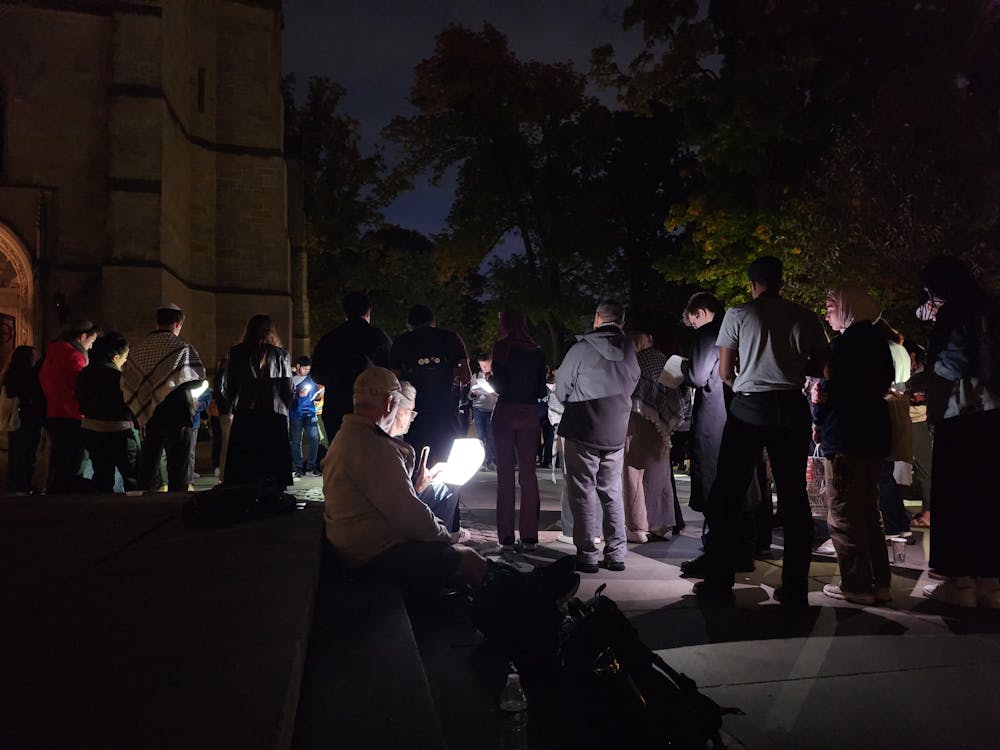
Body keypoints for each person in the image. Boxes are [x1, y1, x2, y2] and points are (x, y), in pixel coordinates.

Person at [694, 256, 828, 605]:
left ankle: (719, 582)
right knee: (793, 496)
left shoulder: (738, 315)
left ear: (753, 283)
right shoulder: (804, 316)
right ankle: (796, 587)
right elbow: (825, 364)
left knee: (729, 494)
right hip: (791, 408)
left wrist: (745, 379)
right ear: (781, 282)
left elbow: (725, 371)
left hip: (749, 407)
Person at [323, 367, 486, 591]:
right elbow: (409, 516)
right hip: (371, 554)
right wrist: (448, 538)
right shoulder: (373, 447)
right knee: (469, 559)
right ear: (390, 402)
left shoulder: (350, 434)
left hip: (357, 543)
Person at [918, 256, 1000, 608]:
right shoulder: (992, 309)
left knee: (957, 498)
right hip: (994, 414)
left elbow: (949, 367)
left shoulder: (954, 314)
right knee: (989, 499)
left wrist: (930, 361)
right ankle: (991, 584)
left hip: (961, 414)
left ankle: (960, 583)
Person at [812, 288, 895, 605]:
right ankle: (880, 583)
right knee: (869, 511)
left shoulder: (843, 346)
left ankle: (857, 585)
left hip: (845, 433)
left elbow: (828, 391)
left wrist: (818, 417)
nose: (827, 312)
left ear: (848, 307)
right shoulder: (878, 344)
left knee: (844, 512)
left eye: (832, 305)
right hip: (874, 434)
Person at [679, 292, 767, 576]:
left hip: (715, 418)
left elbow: (697, 375)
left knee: (716, 487)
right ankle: (744, 551)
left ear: (701, 313)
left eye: (693, 322)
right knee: (742, 483)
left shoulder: (708, 335)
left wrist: (681, 366)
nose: (693, 327)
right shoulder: (741, 330)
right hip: (744, 412)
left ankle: (717, 553)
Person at [554, 300, 640, 574]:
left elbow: (561, 390)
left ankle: (587, 554)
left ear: (596, 319)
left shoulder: (580, 349)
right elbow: (634, 383)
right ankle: (616, 553)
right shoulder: (630, 350)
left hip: (582, 427)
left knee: (582, 492)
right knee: (612, 492)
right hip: (615, 429)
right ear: (621, 322)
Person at [122, 304, 206, 492]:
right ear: (178, 323)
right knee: (178, 466)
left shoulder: (139, 349)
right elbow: (197, 378)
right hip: (178, 414)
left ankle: (145, 506)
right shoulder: (182, 348)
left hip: (149, 415)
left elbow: (129, 379)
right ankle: (175, 506)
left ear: (157, 322)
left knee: (148, 466)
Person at [491, 311, 548, 551]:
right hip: (529, 413)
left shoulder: (502, 348)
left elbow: (500, 383)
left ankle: (505, 535)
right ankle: (529, 535)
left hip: (505, 411)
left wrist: (492, 380)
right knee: (528, 475)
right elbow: (540, 390)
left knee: (505, 475)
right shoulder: (537, 351)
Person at [389, 304, 471, 465]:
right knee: (446, 463)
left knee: (417, 462)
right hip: (446, 412)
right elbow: (466, 376)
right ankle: (448, 490)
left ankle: (417, 489)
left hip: (414, 415)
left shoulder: (401, 342)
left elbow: (393, 380)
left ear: (409, 324)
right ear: (433, 321)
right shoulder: (451, 338)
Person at [622, 333, 683, 544]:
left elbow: (628, 390)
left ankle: (637, 526)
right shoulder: (663, 359)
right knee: (660, 475)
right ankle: (661, 524)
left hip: (636, 422)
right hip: (660, 426)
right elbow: (675, 393)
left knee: (633, 474)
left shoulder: (636, 361)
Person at [220, 314, 294, 489]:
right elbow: (288, 387)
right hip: (275, 412)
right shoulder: (281, 354)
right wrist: (285, 407)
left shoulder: (237, 352)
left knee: (246, 461)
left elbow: (230, 384)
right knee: (272, 460)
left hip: (246, 411)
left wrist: (232, 404)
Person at [390, 381, 468, 541]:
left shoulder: (379, 437)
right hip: (393, 519)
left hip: (391, 508)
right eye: (411, 412)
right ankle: (441, 541)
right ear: (398, 411)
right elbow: (400, 500)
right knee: (449, 486)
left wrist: (427, 475)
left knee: (442, 481)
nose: (412, 418)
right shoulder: (393, 446)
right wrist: (419, 486)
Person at [310, 291, 392, 442]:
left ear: (345, 312)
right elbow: (392, 375)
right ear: (368, 312)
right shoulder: (377, 337)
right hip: (371, 411)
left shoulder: (329, 339)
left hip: (336, 410)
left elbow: (316, 374)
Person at [38, 319, 100, 492]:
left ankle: (55, 493)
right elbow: (81, 387)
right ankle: (67, 499)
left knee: (59, 458)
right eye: (91, 341)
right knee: (73, 461)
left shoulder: (52, 353)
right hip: (71, 415)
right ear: (82, 337)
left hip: (52, 413)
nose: (91, 347)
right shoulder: (74, 356)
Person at [76, 332, 139, 493]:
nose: (125, 361)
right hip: (119, 431)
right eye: (125, 357)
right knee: (132, 476)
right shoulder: (118, 376)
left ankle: (103, 510)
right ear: (116, 357)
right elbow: (130, 404)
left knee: (103, 476)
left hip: (91, 430)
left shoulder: (85, 373)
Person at [3, 345, 45, 493]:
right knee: (25, 454)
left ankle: (18, 484)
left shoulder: (11, 374)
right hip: (26, 418)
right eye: (33, 356)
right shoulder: (27, 375)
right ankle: (21, 484)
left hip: (24, 418)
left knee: (20, 454)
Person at [289, 355, 321, 477]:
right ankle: (297, 467)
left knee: (314, 439)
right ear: (298, 367)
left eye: (308, 369)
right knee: (296, 442)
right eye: (305, 369)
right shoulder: (291, 379)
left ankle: (310, 467)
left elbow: (317, 394)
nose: (307, 371)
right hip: (296, 413)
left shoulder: (311, 379)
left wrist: (317, 396)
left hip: (311, 413)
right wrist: (297, 395)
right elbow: (285, 396)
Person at [469, 353, 498, 470]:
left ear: (491, 363)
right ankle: (481, 462)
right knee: (480, 435)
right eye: (482, 366)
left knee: (490, 435)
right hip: (478, 408)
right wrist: (473, 394)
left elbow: (500, 391)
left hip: (492, 408)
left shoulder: (496, 376)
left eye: (486, 365)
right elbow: (470, 395)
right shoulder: (476, 376)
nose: (484, 368)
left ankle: (489, 460)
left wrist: (493, 391)